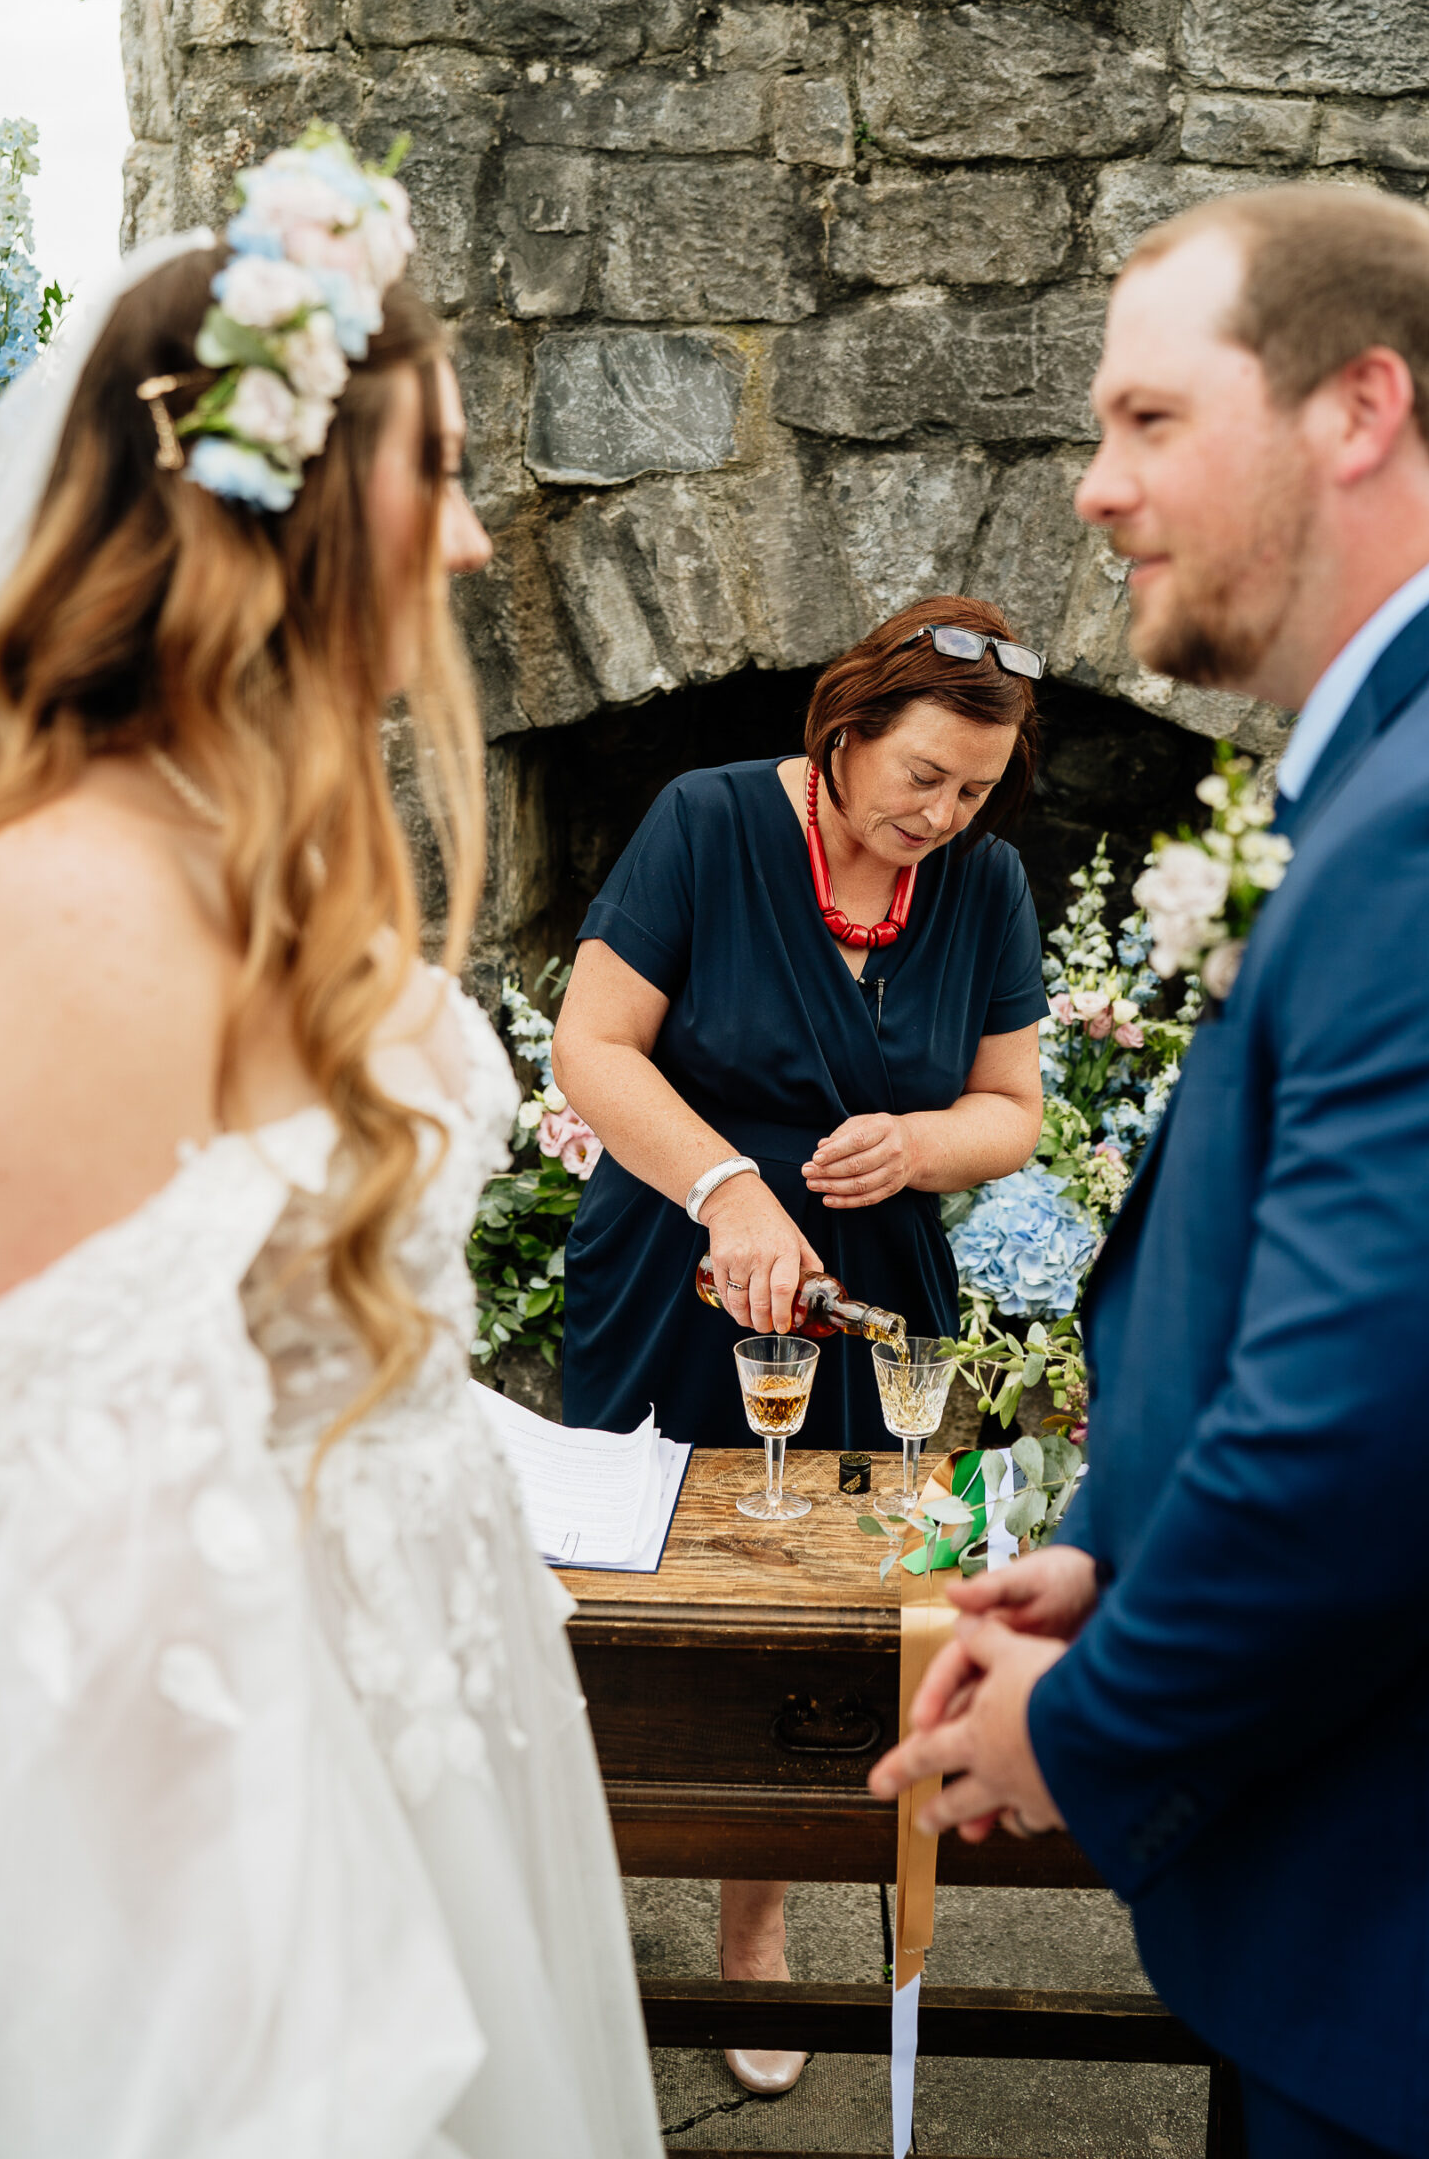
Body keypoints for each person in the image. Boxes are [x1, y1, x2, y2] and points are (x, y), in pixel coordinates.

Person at [0, 131, 662, 2159]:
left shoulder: (257, 854)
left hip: (411, 1729)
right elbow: (96, 1581)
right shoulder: (63, 906)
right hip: (243, 1841)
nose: (475, 541)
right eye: (442, 469)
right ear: (295, 503)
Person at [870, 185, 1429, 2158]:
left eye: (1146, 419)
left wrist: (1079, 1727)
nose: (1093, 489)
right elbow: (1297, 1276)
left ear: (1356, 408)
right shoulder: (1409, 747)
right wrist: (1107, 1552)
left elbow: (1375, 1435)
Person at [552, 594, 1048, 2092]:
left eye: (973, 791)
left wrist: (919, 1142)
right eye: (922, 779)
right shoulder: (703, 825)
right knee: (617, 1596)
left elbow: (1008, 1114)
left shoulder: (990, 883)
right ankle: (563, 1911)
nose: (944, 817)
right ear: (843, 738)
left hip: (870, 1296)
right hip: (671, 1260)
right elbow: (593, 1043)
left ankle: (752, 1937)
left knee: (815, 1627)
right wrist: (728, 1189)